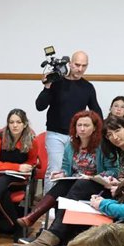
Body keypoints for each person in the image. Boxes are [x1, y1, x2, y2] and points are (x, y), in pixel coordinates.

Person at [15, 114, 124, 235]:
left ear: (94, 128)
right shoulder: (70, 145)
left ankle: (51, 231)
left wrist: (94, 177)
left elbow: (113, 170)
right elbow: (66, 167)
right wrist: (62, 173)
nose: (82, 129)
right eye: (79, 125)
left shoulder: (103, 145)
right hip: (75, 182)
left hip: (95, 184)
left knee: (77, 185)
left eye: (86, 125)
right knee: (62, 185)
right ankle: (39, 222)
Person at [36, 50, 101, 187]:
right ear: (70, 64)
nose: (80, 69)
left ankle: (65, 200)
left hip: (77, 136)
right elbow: (40, 106)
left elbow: (96, 110)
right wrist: (47, 87)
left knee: (73, 171)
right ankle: (49, 201)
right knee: (55, 170)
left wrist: (103, 129)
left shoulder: (88, 87)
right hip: (55, 134)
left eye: (84, 65)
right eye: (77, 65)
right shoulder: (56, 82)